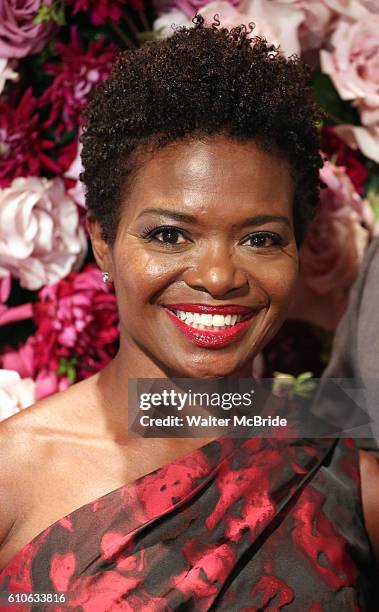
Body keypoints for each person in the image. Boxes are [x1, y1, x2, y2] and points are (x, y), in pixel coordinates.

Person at [0, 17, 378, 610]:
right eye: (171, 235)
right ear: (102, 239)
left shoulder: (342, 469)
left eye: (260, 239)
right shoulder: (13, 475)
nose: (219, 277)